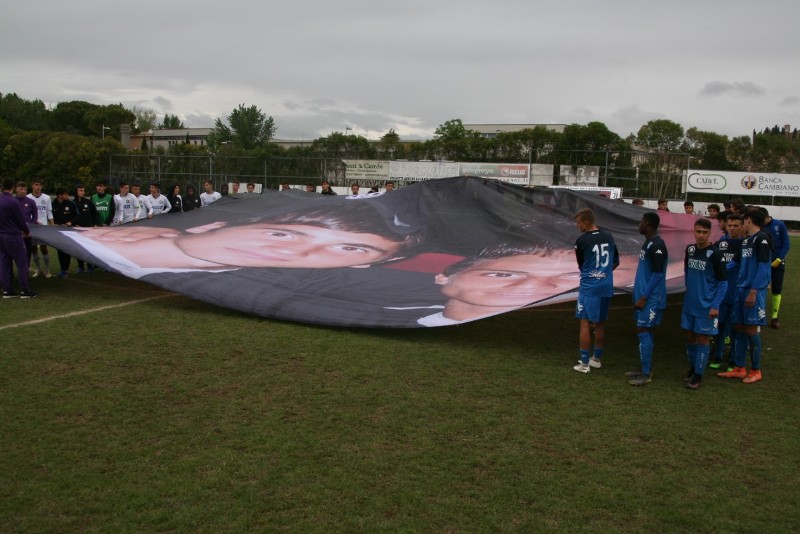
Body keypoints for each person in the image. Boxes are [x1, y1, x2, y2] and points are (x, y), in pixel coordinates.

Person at [55, 202, 423, 277]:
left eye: (349, 248)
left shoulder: (232, 279)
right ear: (208, 225)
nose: (289, 250)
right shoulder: (90, 243)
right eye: (281, 232)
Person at [416, 244, 580, 327]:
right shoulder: (405, 313)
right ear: (443, 278)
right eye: (502, 275)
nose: (532, 286)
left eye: (573, 276)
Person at [718, 208, 771, 384]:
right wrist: (716, 272)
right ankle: (739, 368)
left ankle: (756, 370)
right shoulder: (746, 241)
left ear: (748, 220)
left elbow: (764, 266)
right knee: (739, 327)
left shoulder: (762, 239)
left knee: (751, 329)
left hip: (752, 290)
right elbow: (734, 263)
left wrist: (754, 290)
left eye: (743, 221)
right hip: (740, 290)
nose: (740, 225)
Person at [681, 218, 728, 390]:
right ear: (693, 231)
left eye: (704, 232)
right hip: (690, 304)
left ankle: (698, 375)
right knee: (690, 336)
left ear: (709, 233)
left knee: (702, 338)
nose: (700, 235)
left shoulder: (715, 254)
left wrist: (715, 305)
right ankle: (693, 368)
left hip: (706, 306)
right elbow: (687, 271)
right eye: (698, 231)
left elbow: (723, 282)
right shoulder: (690, 249)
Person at [572, 208, 620, 374]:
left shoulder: (582, 240)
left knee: (585, 322)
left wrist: (594, 274)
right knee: (600, 323)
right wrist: (603, 273)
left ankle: (584, 364)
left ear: (586, 222)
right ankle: (596, 359)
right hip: (605, 285)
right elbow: (615, 261)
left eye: (578, 223)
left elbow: (581, 265)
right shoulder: (609, 236)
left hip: (589, 287)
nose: (577, 226)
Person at [625, 212, 668, 386]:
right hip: (644, 296)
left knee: (644, 329)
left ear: (648, 224)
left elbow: (657, 275)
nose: (639, 224)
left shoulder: (657, 246)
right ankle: (644, 368)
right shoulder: (648, 242)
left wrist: (644, 297)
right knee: (644, 330)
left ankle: (646, 373)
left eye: (641, 222)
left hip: (651, 298)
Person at [710, 213, 743, 370]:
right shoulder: (719, 245)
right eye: (730, 225)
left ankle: (733, 359)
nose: (732, 228)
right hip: (722, 294)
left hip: (737, 294)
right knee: (720, 327)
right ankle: (718, 355)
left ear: (742, 227)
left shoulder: (745, 246)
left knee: (736, 329)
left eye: (736, 225)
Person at [1, 178, 37, 298]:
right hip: (13, 235)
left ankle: (7, 290)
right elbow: (20, 220)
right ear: (13, 188)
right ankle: (24, 290)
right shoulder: (13, 201)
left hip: (1, 236)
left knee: (5, 263)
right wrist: (27, 231)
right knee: (22, 262)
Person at [759, 207, 790, 329]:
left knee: (776, 288)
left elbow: (786, 243)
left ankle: (774, 317)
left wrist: (779, 259)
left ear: (766, 216)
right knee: (760, 288)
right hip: (763, 262)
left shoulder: (779, 225)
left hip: (778, 261)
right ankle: (760, 314)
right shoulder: (759, 226)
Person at [27, 179, 54, 278]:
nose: (38, 187)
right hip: (32, 227)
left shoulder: (46, 198)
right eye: (36, 184)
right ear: (32, 185)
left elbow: (49, 212)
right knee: (33, 249)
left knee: (44, 248)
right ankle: (38, 269)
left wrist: (52, 224)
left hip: (43, 227)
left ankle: (47, 269)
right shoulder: (27, 197)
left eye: (40, 185)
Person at [51, 187, 79, 278]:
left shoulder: (71, 204)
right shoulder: (52, 204)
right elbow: (49, 216)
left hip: (68, 231)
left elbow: (77, 215)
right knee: (60, 250)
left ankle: (65, 269)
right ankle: (62, 269)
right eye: (66, 194)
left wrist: (70, 222)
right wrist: (53, 223)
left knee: (67, 250)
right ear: (60, 195)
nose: (68, 196)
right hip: (57, 231)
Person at [72, 183, 99, 274]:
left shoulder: (88, 202)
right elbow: (72, 216)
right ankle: (80, 266)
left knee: (89, 248)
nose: (82, 192)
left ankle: (90, 265)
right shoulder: (72, 203)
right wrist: (75, 224)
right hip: (77, 230)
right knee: (78, 249)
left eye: (83, 190)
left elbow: (95, 214)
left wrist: (95, 224)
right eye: (80, 190)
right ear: (76, 191)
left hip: (88, 229)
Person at [15, 182, 37, 268]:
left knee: (27, 253)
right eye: (21, 189)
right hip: (15, 233)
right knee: (16, 253)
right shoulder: (12, 201)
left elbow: (35, 216)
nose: (23, 191)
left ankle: (26, 270)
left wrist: (30, 225)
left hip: (27, 233)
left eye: (25, 189)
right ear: (16, 189)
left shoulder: (31, 202)